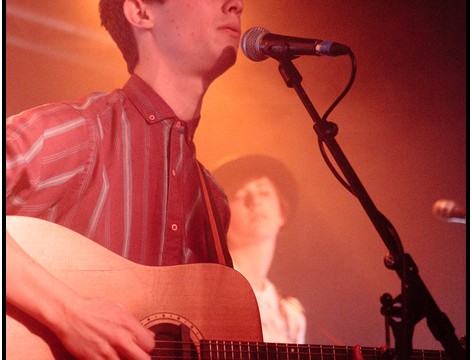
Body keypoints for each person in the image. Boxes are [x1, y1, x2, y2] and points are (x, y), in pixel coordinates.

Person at [6, 1, 243, 359]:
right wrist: (68, 313)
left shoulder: (214, 204)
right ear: (141, 12)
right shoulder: (77, 135)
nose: (236, 3)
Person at [212, 154, 307, 344]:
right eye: (239, 195)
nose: (254, 201)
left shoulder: (290, 314)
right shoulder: (208, 290)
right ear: (222, 218)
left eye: (263, 192)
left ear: (282, 213)